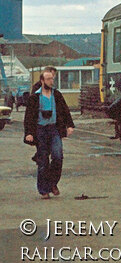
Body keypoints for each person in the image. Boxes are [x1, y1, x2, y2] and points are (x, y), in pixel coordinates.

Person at [23, 70, 74, 199]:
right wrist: (29, 133)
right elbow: (28, 117)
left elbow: (65, 110)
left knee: (58, 156)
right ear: (42, 81)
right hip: (40, 130)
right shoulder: (35, 97)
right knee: (43, 160)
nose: (51, 81)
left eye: (52, 79)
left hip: (54, 129)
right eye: (48, 79)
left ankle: (52, 183)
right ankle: (43, 189)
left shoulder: (56, 95)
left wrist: (70, 125)